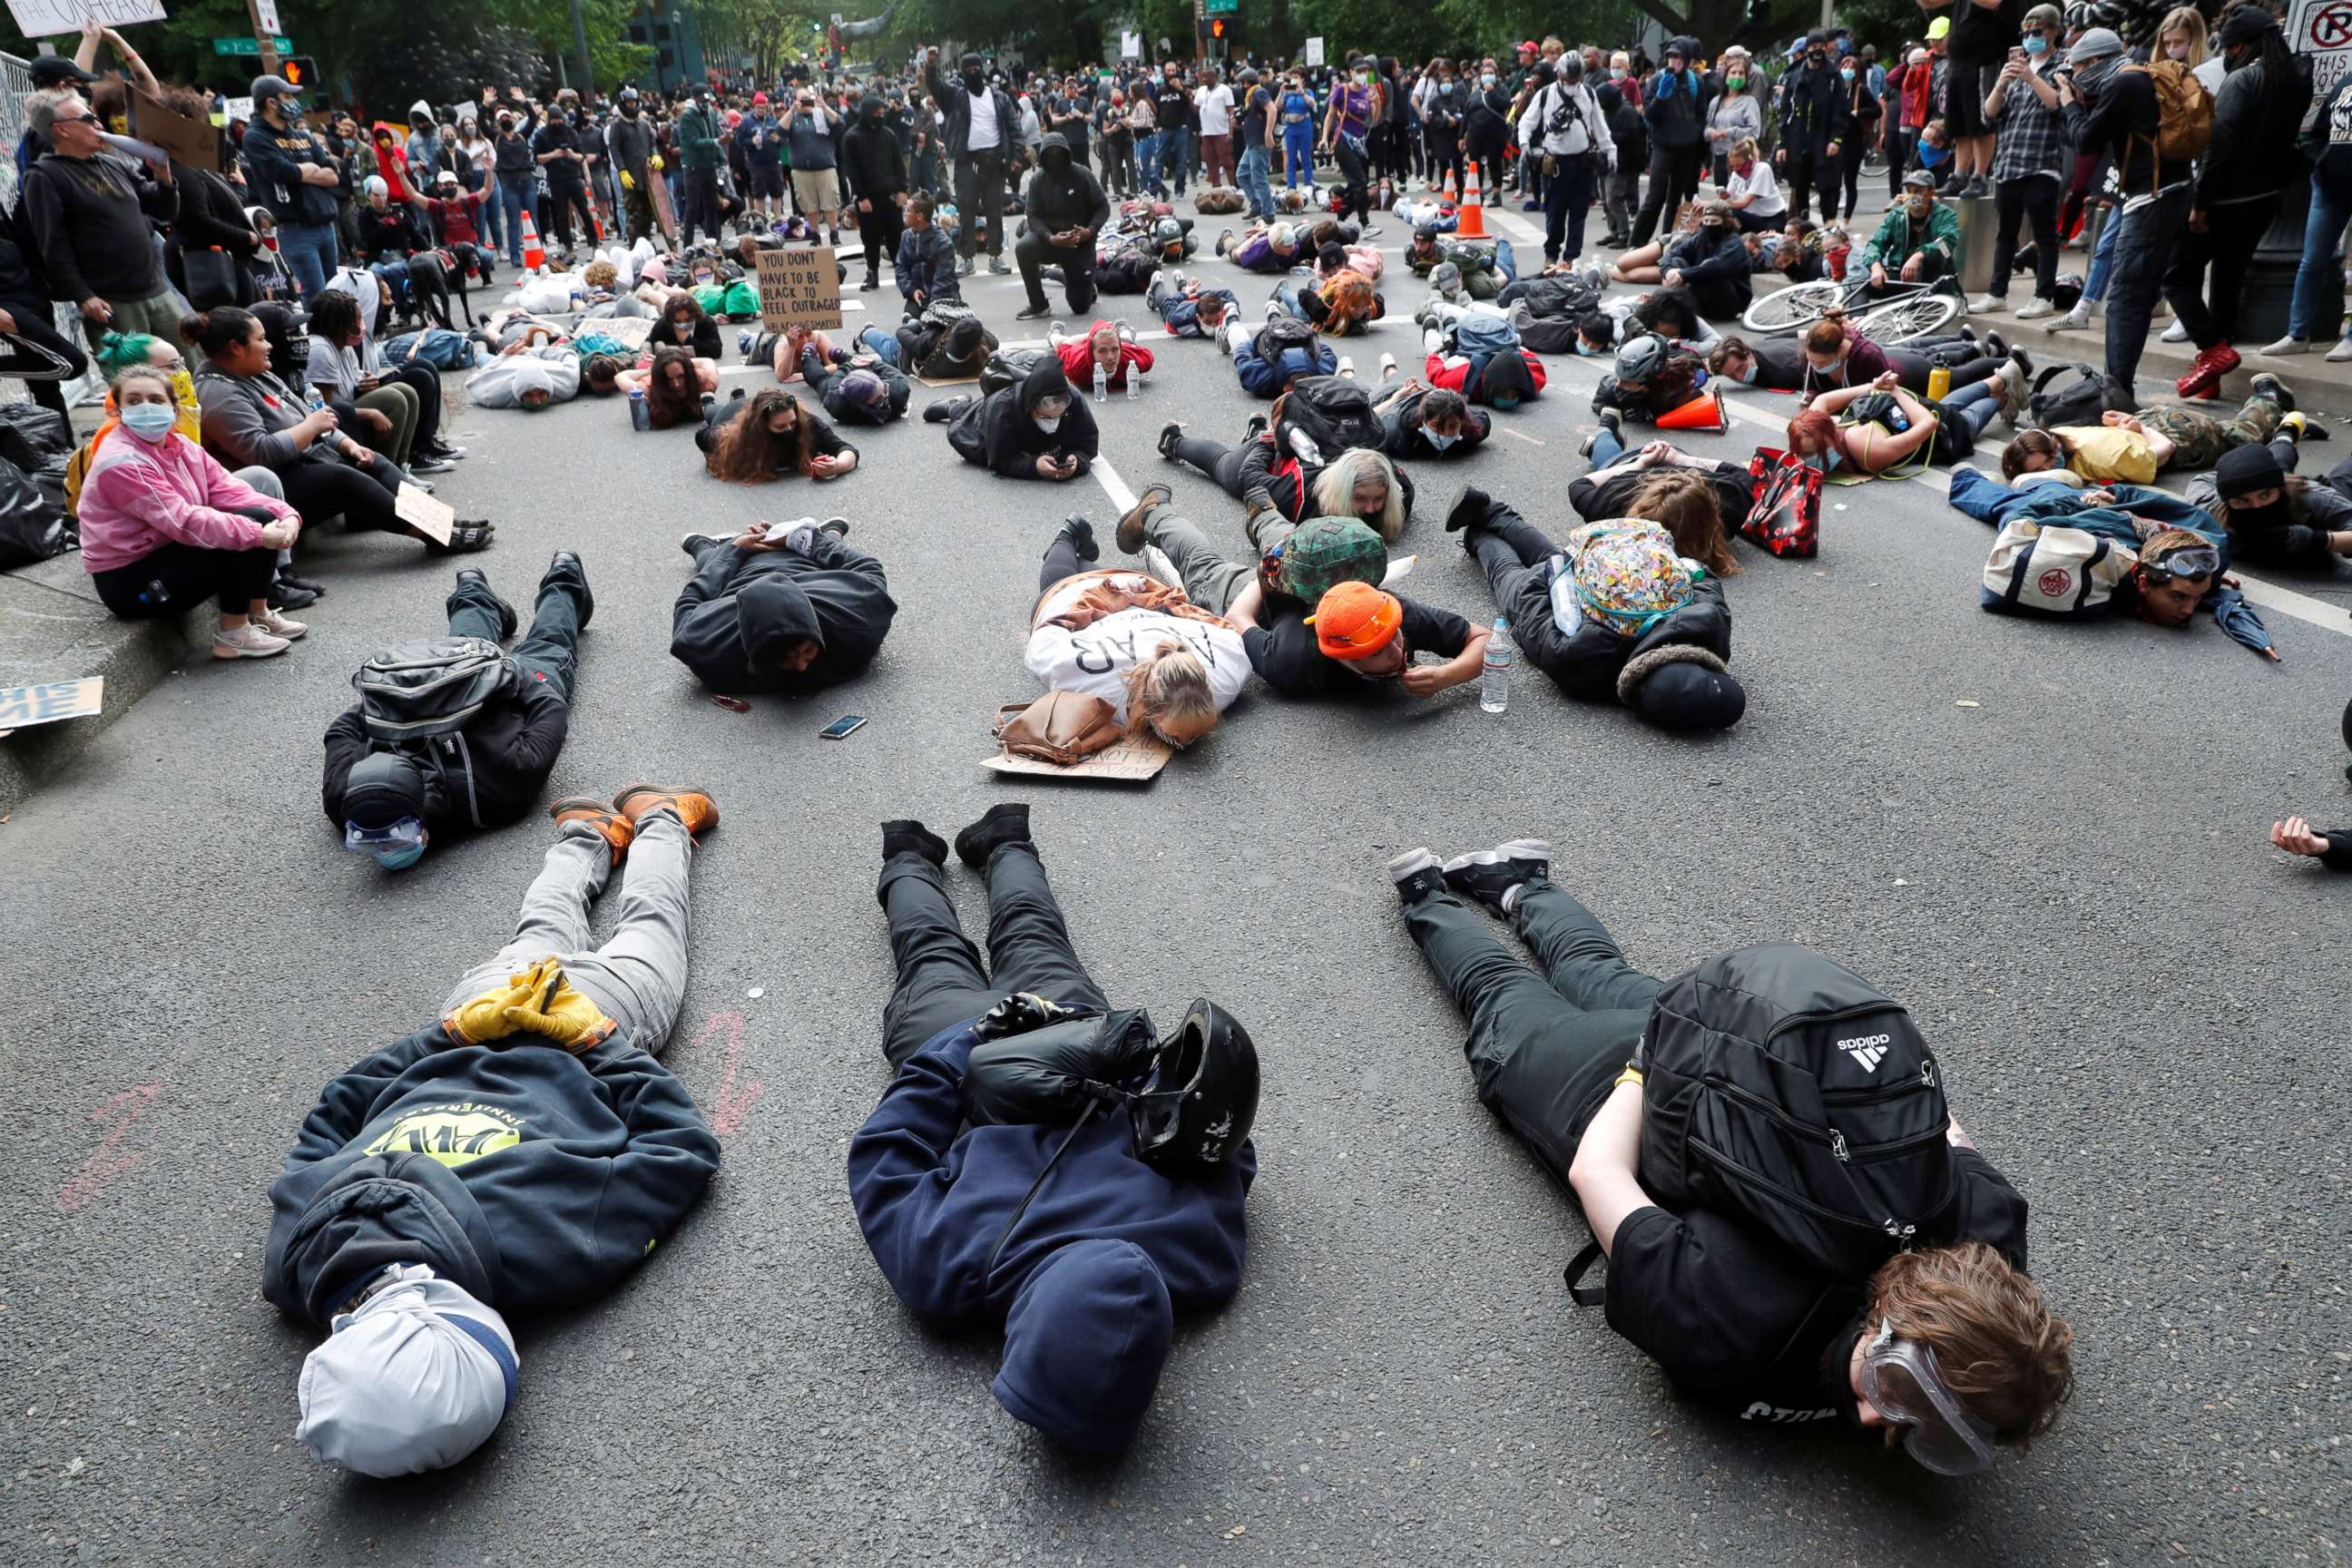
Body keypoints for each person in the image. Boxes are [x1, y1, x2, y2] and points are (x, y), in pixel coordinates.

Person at [1381, 844, 2071, 1463]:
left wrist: (1673, 1045)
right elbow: (1599, 1171)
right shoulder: (1738, 1323)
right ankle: (1427, 895)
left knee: (1597, 970)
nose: (1871, 1415)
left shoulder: (1990, 1238)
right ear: (1890, 1327)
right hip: (1623, 1098)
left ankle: (1521, 881)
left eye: (1933, 1432)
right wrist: (1641, 1071)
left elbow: (1937, 1121)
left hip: (1726, 1055)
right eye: (1893, 1387)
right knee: (1502, 997)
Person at [262, 789, 723, 1478]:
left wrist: (599, 1044)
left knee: (651, 923)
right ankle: (585, 834)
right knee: (541, 923)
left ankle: (660, 818)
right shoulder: (298, 1254)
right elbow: (338, 1108)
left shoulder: (544, 1254)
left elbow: (681, 1148)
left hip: (590, 1028)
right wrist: (443, 1037)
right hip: (479, 1011)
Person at [852, 808, 1257, 1452]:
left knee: (1033, 938)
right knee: (931, 954)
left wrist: (1015, 1038)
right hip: (967, 1057)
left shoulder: (1201, 1260)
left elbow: (1226, 1139)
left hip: (1070, 1039)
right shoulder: (946, 1273)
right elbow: (888, 1148)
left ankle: (1002, 838)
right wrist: (958, 1050)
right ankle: (907, 854)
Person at [324, 554, 592, 867]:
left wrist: (398, 703)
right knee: (466, 645)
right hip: (449, 676)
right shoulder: (344, 798)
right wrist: (391, 706)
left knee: (549, 643)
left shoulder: (506, 783)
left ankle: (564, 575)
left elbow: (548, 704)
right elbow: (342, 730)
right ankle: (472, 586)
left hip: (496, 689)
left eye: (396, 836)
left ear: (421, 815)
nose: (383, 852)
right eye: (365, 842)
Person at [187, 305, 494, 555]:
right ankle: (436, 536)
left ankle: (441, 520)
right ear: (236, 348)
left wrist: (347, 444)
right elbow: (260, 453)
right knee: (343, 478)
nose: (269, 346)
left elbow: (311, 413)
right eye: (261, 339)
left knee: (369, 459)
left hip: (299, 462)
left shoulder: (254, 374)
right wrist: (310, 427)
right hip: (267, 488)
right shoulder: (218, 392)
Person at [1445, 482, 1745, 730]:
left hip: (1622, 561)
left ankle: (1490, 512)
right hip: (1589, 591)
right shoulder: (1583, 660)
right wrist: (1543, 582)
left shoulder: (1710, 626)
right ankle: (1479, 536)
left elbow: (1703, 579)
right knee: (1507, 575)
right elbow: (1532, 615)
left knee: (1550, 555)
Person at [75, 363, 307, 659]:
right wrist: (258, 534)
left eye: (156, 400)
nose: (146, 408)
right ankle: (232, 635)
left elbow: (228, 489)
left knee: (259, 516)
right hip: (130, 582)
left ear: (173, 408)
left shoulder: (180, 445)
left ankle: (257, 613)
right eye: (134, 401)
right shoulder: (121, 462)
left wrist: (286, 515)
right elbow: (182, 521)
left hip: (165, 556)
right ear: (119, 411)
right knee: (248, 531)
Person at [1945, 465, 2278, 658]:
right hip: (2073, 510)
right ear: (2143, 582)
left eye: (2197, 597)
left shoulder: (2209, 553)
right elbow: (2024, 522)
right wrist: (2110, 496)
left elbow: (2161, 504)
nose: (2189, 611)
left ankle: (2045, 480)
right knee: (2009, 511)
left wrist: (2255, 636)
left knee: (2042, 494)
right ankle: (1980, 477)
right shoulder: (2092, 548)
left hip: (2110, 508)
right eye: (2179, 597)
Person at [2165, 8, 2309, 398]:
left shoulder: (2244, 78)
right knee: (2228, 280)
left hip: (2226, 199)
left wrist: (2201, 202)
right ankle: (2211, 376)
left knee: (2176, 275)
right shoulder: (2295, 78)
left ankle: (2212, 352)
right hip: (2265, 201)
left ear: (2241, 45)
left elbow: (2220, 148)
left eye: (2229, 47)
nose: (2226, 55)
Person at [1024, 516, 1249, 743]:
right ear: (1147, 704)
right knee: (1058, 579)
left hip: (1134, 592)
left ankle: (1076, 543)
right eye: (1169, 737)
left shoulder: (1224, 682)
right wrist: (1107, 599)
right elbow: (1047, 633)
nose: (1184, 743)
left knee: (1082, 568)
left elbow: (1222, 626)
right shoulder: (1093, 687)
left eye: (1196, 736)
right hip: (1088, 595)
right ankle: (1068, 534)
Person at [2056, 27, 2185, 401]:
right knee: (2140, 294)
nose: (2077, 75)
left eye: (2079, 67)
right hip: (2165, 193)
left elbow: (2085, 140)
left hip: (2152, 199)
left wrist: (2068, 101)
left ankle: (2117, 390)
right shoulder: (2141, 76)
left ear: (2096, 61)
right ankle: (2120, 382)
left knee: (2126, 298)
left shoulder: (2122, 84)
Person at [20, 87, 179, 342]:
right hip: (112, 300)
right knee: (138, 378)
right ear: (61, 129)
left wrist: (163, 176)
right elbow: (53, 245)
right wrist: (83, 295)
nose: (98, 123)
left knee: (186, 368)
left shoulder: (112, 163)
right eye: (87, 119)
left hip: (156, 289)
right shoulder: (44, 175)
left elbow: (164, 210)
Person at [668, 518, 895, 696]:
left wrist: (805, 541)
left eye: (807, 650)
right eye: (786, 658)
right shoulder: (707, 647)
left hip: (808, 571)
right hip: (743, 573)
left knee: (830, 545)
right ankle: (707, 547)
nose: (801, 667)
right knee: (714, 563)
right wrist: (735, 551)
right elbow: (694, 596)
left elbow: (869, 569)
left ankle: (825, 535)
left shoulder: (856, 627)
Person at [1158, 414, 1416, 539]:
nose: (1371, 509)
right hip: (1267, 466)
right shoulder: (1300, 493)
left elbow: (1403, 484)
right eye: (1360, 499)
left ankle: (1258, 434)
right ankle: (1174, 441)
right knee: (1222, 465)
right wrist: (1266, 443)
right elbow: (1249, 477)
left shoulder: (1397, 494)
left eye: (1377, 499)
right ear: (1343, 492)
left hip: (1309, 448)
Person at [2002, 376, 2303, 481]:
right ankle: (2281, 418)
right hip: (2150, 420)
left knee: (2242, 435)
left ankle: (2270, 397)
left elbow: (2165, 450)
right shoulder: (2061, 434)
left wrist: (2139, 431)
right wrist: (2128, 423)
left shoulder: (2103, 461)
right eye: (2037, 473)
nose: (2046, 473)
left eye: (2045, 466)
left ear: (2054, 449)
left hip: (2175, 437)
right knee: (2228, 429)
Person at [1973, 5, 2067, 320]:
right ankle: (1997, 292)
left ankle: (2044, 296)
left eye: (2037, 32)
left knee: (2044, 234)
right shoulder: (2013, 67)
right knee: (2005, 233)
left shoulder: (2062, 64)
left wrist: (2031, 77)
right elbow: (1990, 113)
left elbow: (2058, 105)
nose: (2030, 38)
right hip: (2009, 162)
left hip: (2041, 162)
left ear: (2053, 31)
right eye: (2026, 33)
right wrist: (2001, 83)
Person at [303, 289, 455, 475]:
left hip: (349, 407)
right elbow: (323, 408)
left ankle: (403, 466)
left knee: (412, 383)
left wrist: (370, 383)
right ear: (338, 324)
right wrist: (370, 413)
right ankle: (385, 474)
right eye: (356, 320)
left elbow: (352, 385)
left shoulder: (345, 346)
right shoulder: (320, 350)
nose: (361, 325)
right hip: (338, 421)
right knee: (395, 398)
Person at [1788, 363, 2026, 474]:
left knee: (1965, 420)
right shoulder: (1815, 424)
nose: (1807, 460)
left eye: (1811, 453)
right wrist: (1875, 386)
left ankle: (2002, 397)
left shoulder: (1868, 450)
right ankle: (2000, 379)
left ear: (1829, 434)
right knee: (1947, 406)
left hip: (1941, 431)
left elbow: (1930, 424)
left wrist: (1894, 390)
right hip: (1915, 409)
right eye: (1804, 454)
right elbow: (1825, 400)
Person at [237, 74, 339, 299]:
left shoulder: (303, 135)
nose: (294, 103)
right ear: (272, 103)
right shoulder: (255, 137)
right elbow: (282, 172)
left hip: (326, 224)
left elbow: (332, 175)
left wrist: (303, 172)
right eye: (287, 96)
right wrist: (310, 169)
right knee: (317, 295)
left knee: (336, 293)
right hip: (295, 229)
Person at [926, 46, 1020, 278]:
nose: (973, 72)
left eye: (976, 68)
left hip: (994, 161)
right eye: (968, 69)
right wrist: (930, 65)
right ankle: (966, 258)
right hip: (967, 162)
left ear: (983, 69)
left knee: (994, 210)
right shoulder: (955, 97)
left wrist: (1017, 157)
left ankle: (996, 256)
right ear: (962, 72)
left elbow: (1014, 128)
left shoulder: (998, 97)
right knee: (966, 209)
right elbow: (936, 86)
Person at [929, 355, 1100, 480]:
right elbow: (999, 460)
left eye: (1062, 404)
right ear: (1033, 404)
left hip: (1039, 442)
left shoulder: (1073, 400)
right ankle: (955, 405)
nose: (1056, 411)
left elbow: (1088, 443)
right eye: (1048, 405)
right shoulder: (1003, 410)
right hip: (982, 424)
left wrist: (1077, 460)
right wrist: (1034, 466)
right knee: (961, 431)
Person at [2184, 442, 2352, 568]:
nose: (2257, 506)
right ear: (2226, 503)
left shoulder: (2315, 499)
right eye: (2242, 500)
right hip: (2271, 478)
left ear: (2280, 490)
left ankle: (2288, 429)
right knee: (2275, 464)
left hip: (2311, 496)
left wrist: (2319, 540)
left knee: (2342, 479)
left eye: (2265, 496)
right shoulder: (2208, 509)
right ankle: (2288, 429)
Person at [1519, 58, 1613, 267]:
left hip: (1583, 162)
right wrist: (1525, 145)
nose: (1571, 83)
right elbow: (1526, 122)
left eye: (1575, 79)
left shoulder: (1589, 94)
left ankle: (1571, 258)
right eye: (1568, 79)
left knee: (1579, 213)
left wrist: (1610, 151)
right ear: (1559, 75)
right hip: (1555, 164)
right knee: (1555, 212)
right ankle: (1551, 255)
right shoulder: (1546, 95)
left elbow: (1600, 126)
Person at [1014, 134, 1111, 321]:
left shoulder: (1082, 175)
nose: (1055, 157)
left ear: (1067, 153)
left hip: (1079, 243)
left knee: (1080, 307)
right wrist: (1050, 237)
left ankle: (1086, 287)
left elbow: (1103, 206)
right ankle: (1039, 305)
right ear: (1042, 157)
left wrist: (1089, 231)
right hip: (1050, 241)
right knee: (1024, 248)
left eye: (1059, 152)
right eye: (1050, 153)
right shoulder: (1037, 181)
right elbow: (1032, 215)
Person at [1629, 37, 1713, 248]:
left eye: (1678, 56)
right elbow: (1648, 115)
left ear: (1686, 59)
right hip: (1663, 147)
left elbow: (1702, 115)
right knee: (1655, 197)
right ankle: (1636, 243)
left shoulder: (1697, 82)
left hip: (1687, 149)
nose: (1673, 60)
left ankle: (1670, 243)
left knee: (1679, 200)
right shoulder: (1657, 80)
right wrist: (1660, 96)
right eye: (1671, 56)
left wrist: (1699, 143)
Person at [697, 386, 860, 482]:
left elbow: (847, 450)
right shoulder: (734, 435)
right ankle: (708, 402)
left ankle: (739, 395)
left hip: (755, 405)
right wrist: (715, 455)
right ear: (762, 428)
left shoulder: (808, 424)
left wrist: (837, 466)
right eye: (780, 427)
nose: (789, 429)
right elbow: (701, 436)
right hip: (731, 414)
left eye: (792, 423)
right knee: (712, 411)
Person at [1776, 32, 1849, 223]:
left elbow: (1841, 110)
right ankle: (1802, 225)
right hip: (1799, 140)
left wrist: (1836, 139)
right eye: (1813, 46)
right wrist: (1782, 143)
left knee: (1828, 185)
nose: (1817, 50)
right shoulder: (1796, 75)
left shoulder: (1834, 76)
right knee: (1799, 184)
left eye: (1821, 46)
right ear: (1806, 49)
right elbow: (1786, 111)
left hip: (1824, 139)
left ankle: (1829, 224)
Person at [1857, 169, 1962, 293]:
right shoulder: (1897, 215)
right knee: (1861, 286)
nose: (1912, 196)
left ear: (1931, 193)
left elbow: (1947, 243)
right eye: (1908, 191)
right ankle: (1856, 314)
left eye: (1918, 191)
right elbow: (1875, 243)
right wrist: (1875, 266)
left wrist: (1918, 256)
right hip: (1902, 275)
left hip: (1934, 278)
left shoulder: (1945, 215)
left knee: (1925, 271)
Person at [843, 94, 907, 295]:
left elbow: (898, 164)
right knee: (870, 238)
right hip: (868, 198)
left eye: (883, 113)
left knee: (896, 235)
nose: (881, 116)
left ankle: (901, 273)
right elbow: (851, 170)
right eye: (877, 114)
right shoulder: (852, 137)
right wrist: (860, 196)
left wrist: (903, 189)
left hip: (890, 195)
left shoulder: (888, 134)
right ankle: (872, 272)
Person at [1375, 380, 1490, 462]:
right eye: (1436, 426)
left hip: (1423, 393)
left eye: (1453, 426)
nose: (1445, 434)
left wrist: (1435, 395)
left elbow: (1482, 417)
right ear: (1423, 421)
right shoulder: (1395, 434)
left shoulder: (1472, 431)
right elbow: (1364, 420)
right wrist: (1394, 399)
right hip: (1388, 398)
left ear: (1462, 421)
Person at [786, 87, 842, 248]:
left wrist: (823, 106)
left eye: (807, 98)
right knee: (809, 205)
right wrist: (791, 110)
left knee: (830, 202)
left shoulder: (822, 114)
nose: (805, 102)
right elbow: (780, 130)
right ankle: (815, 234)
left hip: (825, 166)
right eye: (801, 99)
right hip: (801, 169)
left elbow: (839, 123)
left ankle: (834, 233)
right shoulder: (793, 118)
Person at [1703, 50, 1762, 190]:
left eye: (1741, 73)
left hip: (1740, 158)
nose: (1737, 76)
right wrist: (1711, 132)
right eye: (1733, 73)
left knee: (1737, 199)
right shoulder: (1716, 102)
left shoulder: (1749, 102)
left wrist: (1730, 132)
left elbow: (1754, 132)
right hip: (1719, 157)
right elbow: (1706, 129)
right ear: (1726, 76)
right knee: (1721, 198)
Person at [893, 193, 958, 316]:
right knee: (908, 326)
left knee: (935, 330)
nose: (904, 213)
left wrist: (932, 310)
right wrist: (911, 290)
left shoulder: (943, 243)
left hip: (942, 298)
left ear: (919, 216)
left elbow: (943, 281)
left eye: (907, 210)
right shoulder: (906, 236)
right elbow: (900, 268)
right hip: (918, 296)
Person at [676, 88, 725, 249]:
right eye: (702, 101)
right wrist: (716, 142)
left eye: (707, 101)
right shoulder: (688, 117)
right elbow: (694, 142)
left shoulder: (710, 113)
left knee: (712, 205)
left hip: (709, 165)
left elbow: (715, 133)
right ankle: (688, 244)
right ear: (695, 99)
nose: (706, 104)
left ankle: (715, 240)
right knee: (693, 206)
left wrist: (721, 157)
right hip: (693, 167)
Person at [1051, 318, 1152, 393]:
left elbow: (1148, 357)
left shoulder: (1133, 361)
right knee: (1059, 343)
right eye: (1102, 351)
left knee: (1127, 340)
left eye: (1115, 350)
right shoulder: (1076, 366)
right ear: (1091, 351)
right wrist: (1091, 335)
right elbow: (1063, 349)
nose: (1110, 357)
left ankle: (1123, 327)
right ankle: (1055, 332)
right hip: (1083, 348)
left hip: (1121, 343)